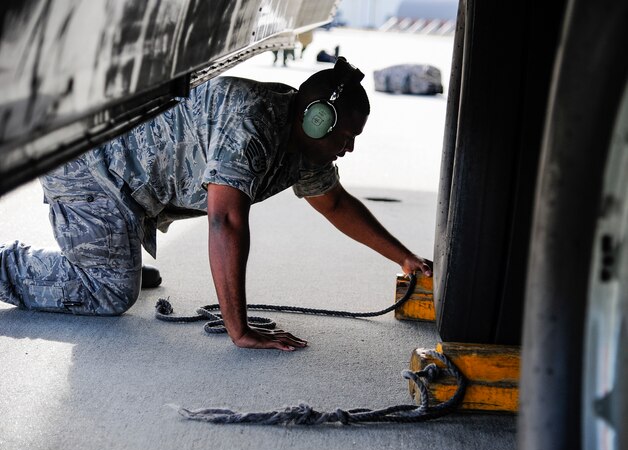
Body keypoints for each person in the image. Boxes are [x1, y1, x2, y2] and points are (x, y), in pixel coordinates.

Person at [0, 57, 431, 351]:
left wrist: (404, 257)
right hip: (90, 168)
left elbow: (336, 204)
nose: (350, 148)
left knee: (119, 274)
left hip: (125, 186)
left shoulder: (306, 147)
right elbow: (225, 220)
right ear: (317, 119)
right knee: (110, 291)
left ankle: (115, 255)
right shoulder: (254, 122)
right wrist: (238, 330)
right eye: (346, 135)